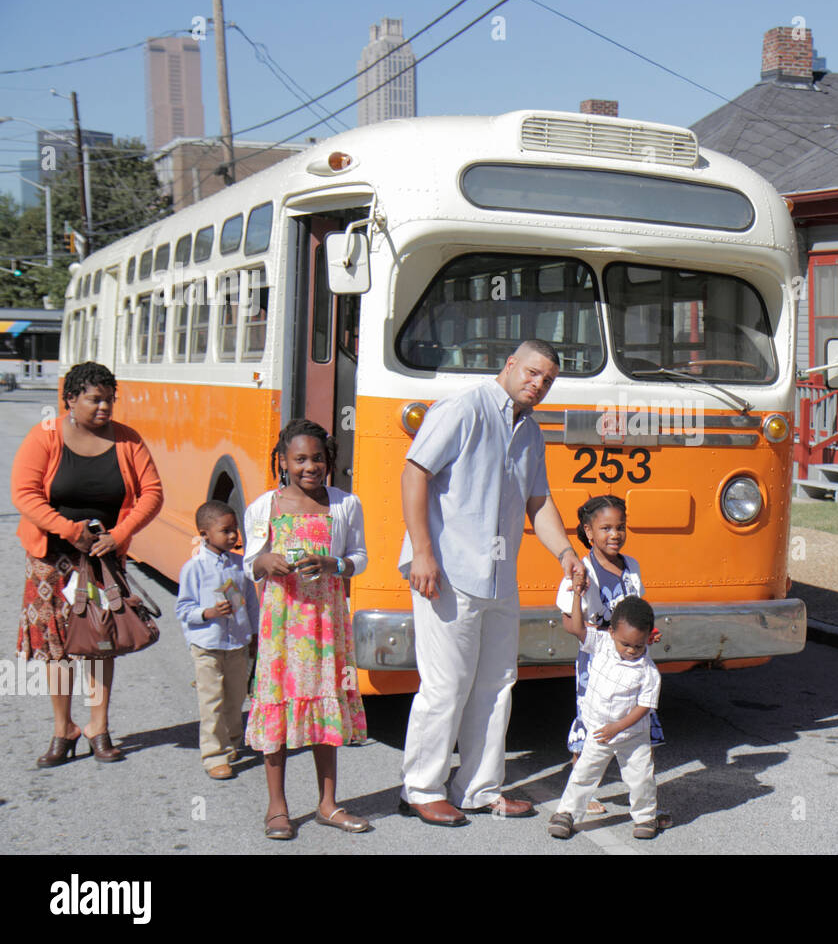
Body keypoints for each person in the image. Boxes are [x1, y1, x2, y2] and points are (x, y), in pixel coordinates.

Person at [399, 339, 586, 827]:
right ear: (509, 365)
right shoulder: (463, 409)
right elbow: (415, 472)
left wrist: (565, 552)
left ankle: (478, 789)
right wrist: (422, 552)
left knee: (497, 685)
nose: (537, 384)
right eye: (531, 372)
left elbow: (538, 502)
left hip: (500, 576)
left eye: (547, 379)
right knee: (446, 685)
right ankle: (421, 788)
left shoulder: (530, 432)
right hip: (446, 571)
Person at [11, 361, 163, 766]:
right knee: (56, 648)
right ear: (71, 399)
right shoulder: (45, 437)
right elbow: (24, 494)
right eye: (95, 400)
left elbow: (152, 493)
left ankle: (99, 726)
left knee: (100, 642)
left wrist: (118, 535)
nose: (104, 408)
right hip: (51, 558)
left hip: (101, 559)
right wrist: (67, 529)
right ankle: (64, 729)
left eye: (109, 400)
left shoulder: (128, 440)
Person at [243, 419, 369, 840]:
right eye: (299, 459)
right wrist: (266, 563)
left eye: (317, 458)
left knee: (325, 704)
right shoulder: (265, 507)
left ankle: (328, 804)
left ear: (328, 461)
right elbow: (250, 563)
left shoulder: (345, 505)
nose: (309, 466)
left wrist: (335, 564)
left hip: (327, 623)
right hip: (281, 625)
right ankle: (277, 806)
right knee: (276, 704)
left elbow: (360, 557)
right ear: (283, 461)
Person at [555, 495, 664, 814]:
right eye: (605, 528)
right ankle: (581, 791)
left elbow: (637, 611)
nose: (614, 534)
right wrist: (606, 636)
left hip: (634, 661)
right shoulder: (581, 571)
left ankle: (644, 795)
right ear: (589, 532)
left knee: (637, 718)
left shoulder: (632, 567)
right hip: (598, 661)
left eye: (620, 527)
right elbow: (568, 622)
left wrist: (645, 633)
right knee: (593, 723)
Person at [548, 595, 661, 840]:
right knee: (584, 774)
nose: (631, 651)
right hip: (599, 730)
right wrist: (577, 594)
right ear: (611, 632)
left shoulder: (648, 672)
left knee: (641, 778)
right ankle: (566, 813)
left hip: (632, 736)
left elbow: (644, 707)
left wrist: (618, 727)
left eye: (638, 646)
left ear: (647, 639)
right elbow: (577, 628)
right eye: (625, 644)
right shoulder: (601, 643)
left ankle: (645, 817)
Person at [175, 500, 258, 780]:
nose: (234, 536)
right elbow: (183, 608)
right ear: (205, 534)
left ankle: (232, 743)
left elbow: (251, 603)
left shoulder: (239, 565)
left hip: (236, 644)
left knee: (235, 698)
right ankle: (213, 755)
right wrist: (207, 613)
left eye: (235, 530)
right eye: (226, 531)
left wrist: (254, 634)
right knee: (211, 701)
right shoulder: (194, 568)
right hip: (207, 646)